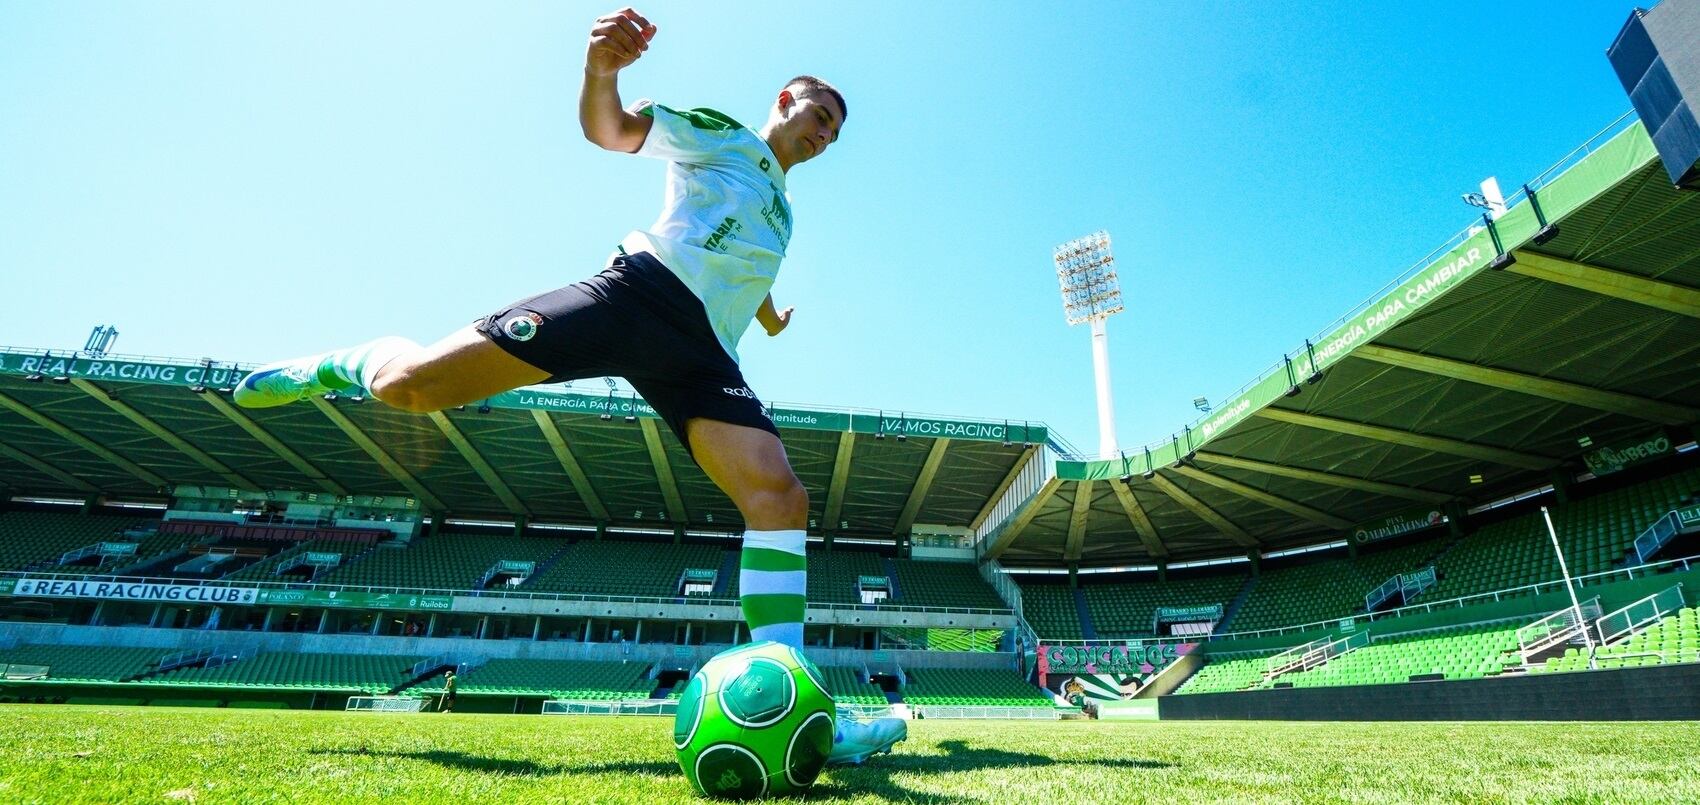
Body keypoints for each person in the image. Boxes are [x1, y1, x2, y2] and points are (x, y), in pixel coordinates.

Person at [234, 7, 902, 763]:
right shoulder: (724, 136)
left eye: (835, 133)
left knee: (779, 496)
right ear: (785, 102)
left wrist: (772, 317)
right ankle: (346, 361)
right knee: (410, 387)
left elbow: (741, 270)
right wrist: (602, 70)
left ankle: (807, 707)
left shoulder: (785, 211)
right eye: (819, 117)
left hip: (705, 356)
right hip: (634, 298)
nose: (824, 136)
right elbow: (610, 131)